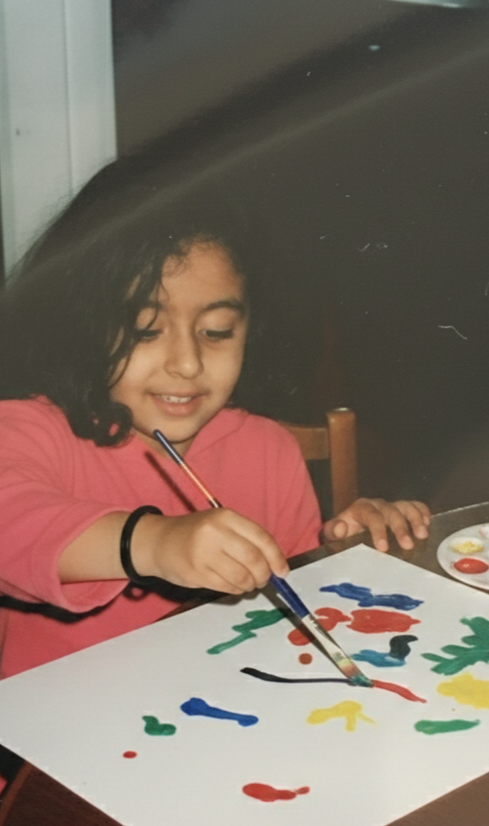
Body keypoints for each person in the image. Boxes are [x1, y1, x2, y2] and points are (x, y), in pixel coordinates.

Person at [0, 160, 430, 679]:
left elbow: (289, 608)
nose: (186, 363)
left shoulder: (268, 448)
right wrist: (157, 544)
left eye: (217, 331)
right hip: (51, 750)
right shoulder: (28, 429)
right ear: (80, 325)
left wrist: (342, 551)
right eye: (144, 329)